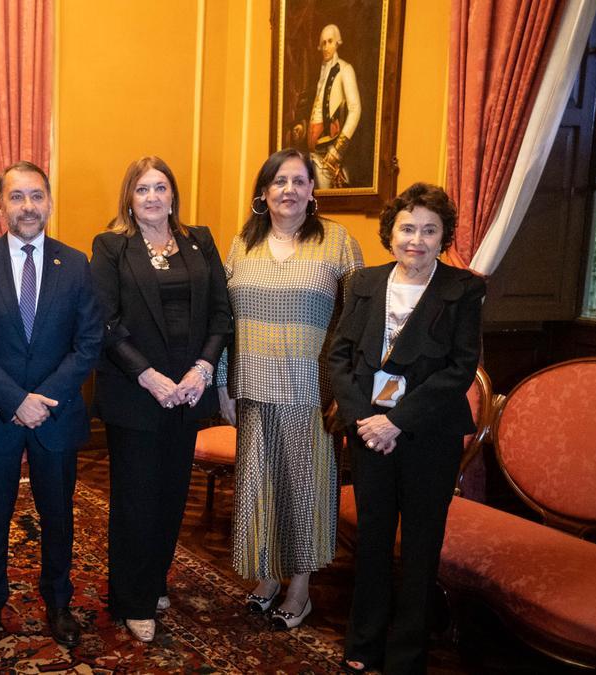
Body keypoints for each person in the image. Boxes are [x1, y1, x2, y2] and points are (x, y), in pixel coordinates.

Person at [329, 183, 484, 675]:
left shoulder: (463, 290)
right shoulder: (363, 283)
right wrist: (363, 421)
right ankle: (364, 642)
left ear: (443, 238)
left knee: (420, 547)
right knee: (372, 540)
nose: (416, 239)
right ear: (390, 233)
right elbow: (337, 357)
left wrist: (395, 420)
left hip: (428, 436)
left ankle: (406, 655)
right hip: (369, 433)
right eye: (407, 228)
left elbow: (459, 370)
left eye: (429, 230)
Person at [0, 161, 102, 654]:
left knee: (58, 517)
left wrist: (43, 402)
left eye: (37, 196)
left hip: (55, 419)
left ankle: (59, 604)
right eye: (17, 197)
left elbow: (88, 343)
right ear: (0, 205)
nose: (28, 206)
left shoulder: (76, 264)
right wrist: (16, 401)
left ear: (50, 201)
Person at [217, 148, 363, 629]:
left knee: (304, 491)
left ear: (312, 191)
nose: (289, 190)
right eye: (279, 181)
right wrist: (223, 384)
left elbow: (358, 323)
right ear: (263, 192)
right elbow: (224, 320)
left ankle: (300, 587)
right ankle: (266, 577)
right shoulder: (243, 243)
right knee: (259, 489)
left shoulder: (338, 242)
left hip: (309, 391)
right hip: (253, 386)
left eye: (299, 181)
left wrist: (345, 389)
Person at [89, 156, 231, 643]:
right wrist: (147, 376)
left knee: (172, 496)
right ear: (129, 197)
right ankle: (132, 599)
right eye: (142, 189)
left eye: (160, 187)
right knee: (135, 499)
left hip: (189, 391)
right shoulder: (111, 246)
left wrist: (203, 369)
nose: (152, 197)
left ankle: (154, 580)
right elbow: (105, 322)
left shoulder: (201, 241)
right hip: (136, 393)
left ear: (174, 194)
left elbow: (221, 314)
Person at [291, 24, 360, 189]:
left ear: (337, 43)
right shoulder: (319, 71)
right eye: (323, 43)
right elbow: (315, 109)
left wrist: (337, 150)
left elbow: (355, 109)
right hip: (314, 153)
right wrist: (302, 127)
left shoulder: (345, 69)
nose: (326, 47)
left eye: (330, 41)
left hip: (330, 150)